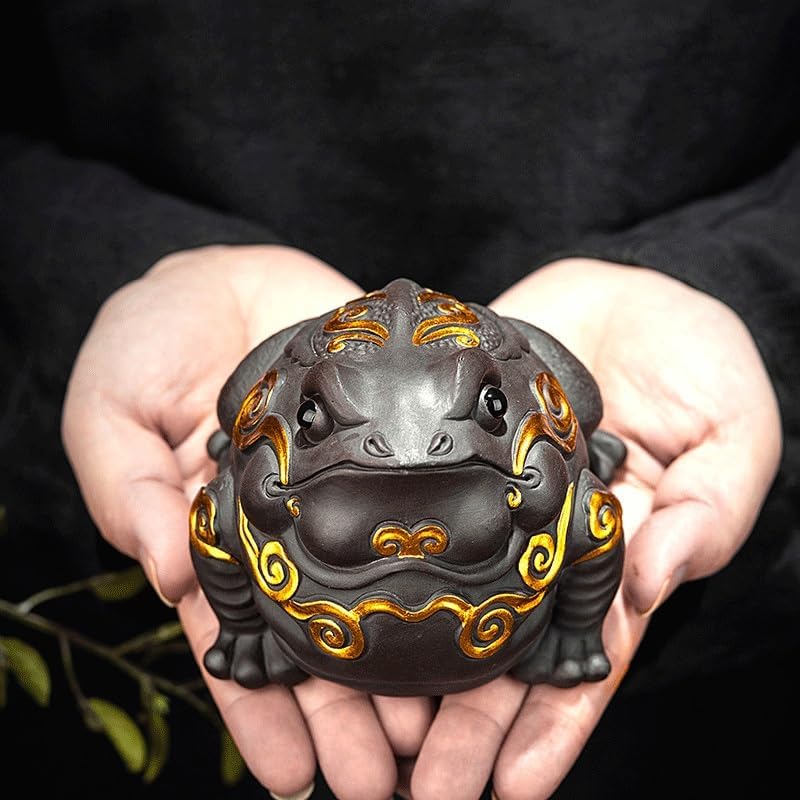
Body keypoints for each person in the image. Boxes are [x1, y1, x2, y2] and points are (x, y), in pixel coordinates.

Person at [2, 3, 798, 799]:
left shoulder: (541, 474)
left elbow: (594, 527)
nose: (409, 448)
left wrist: (737, 281)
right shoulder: (261, 481)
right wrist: (243, 623)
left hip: (697, 709)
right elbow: (215, 524)